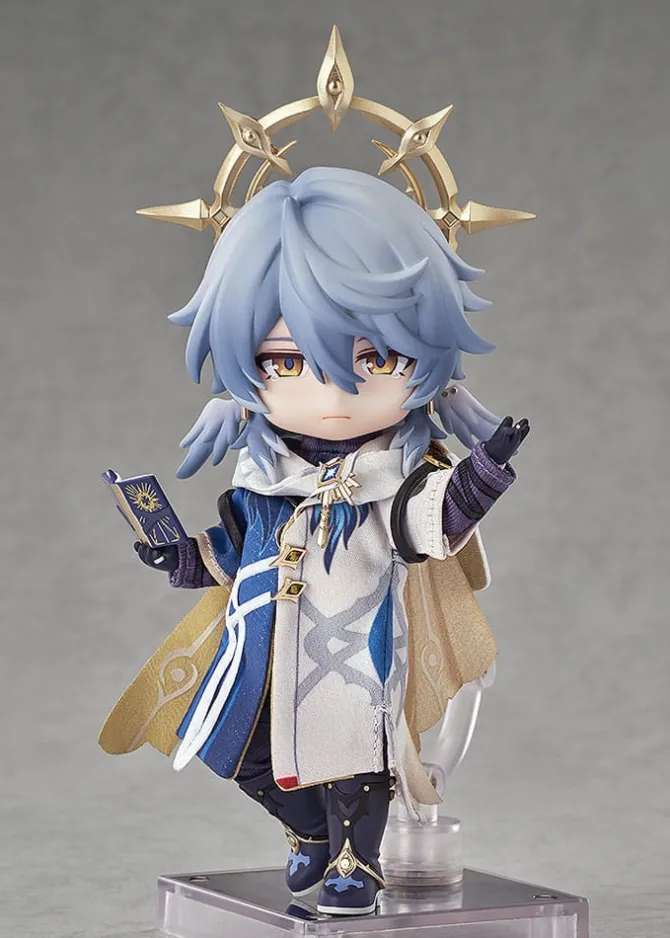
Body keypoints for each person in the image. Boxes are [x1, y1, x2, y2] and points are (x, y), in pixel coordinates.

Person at [104, 166, 529, 916]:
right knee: (237, 745)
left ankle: (357, 862)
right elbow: (236, 547)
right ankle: (305, 833)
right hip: (262, 645)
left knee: (356, 762)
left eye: (376, 359)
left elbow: (428, 522)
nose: (333, 393)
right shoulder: (266, 476)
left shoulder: (389, 477)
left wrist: (482, 474)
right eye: (285, 362)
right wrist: (182, 555)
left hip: (355, 647)